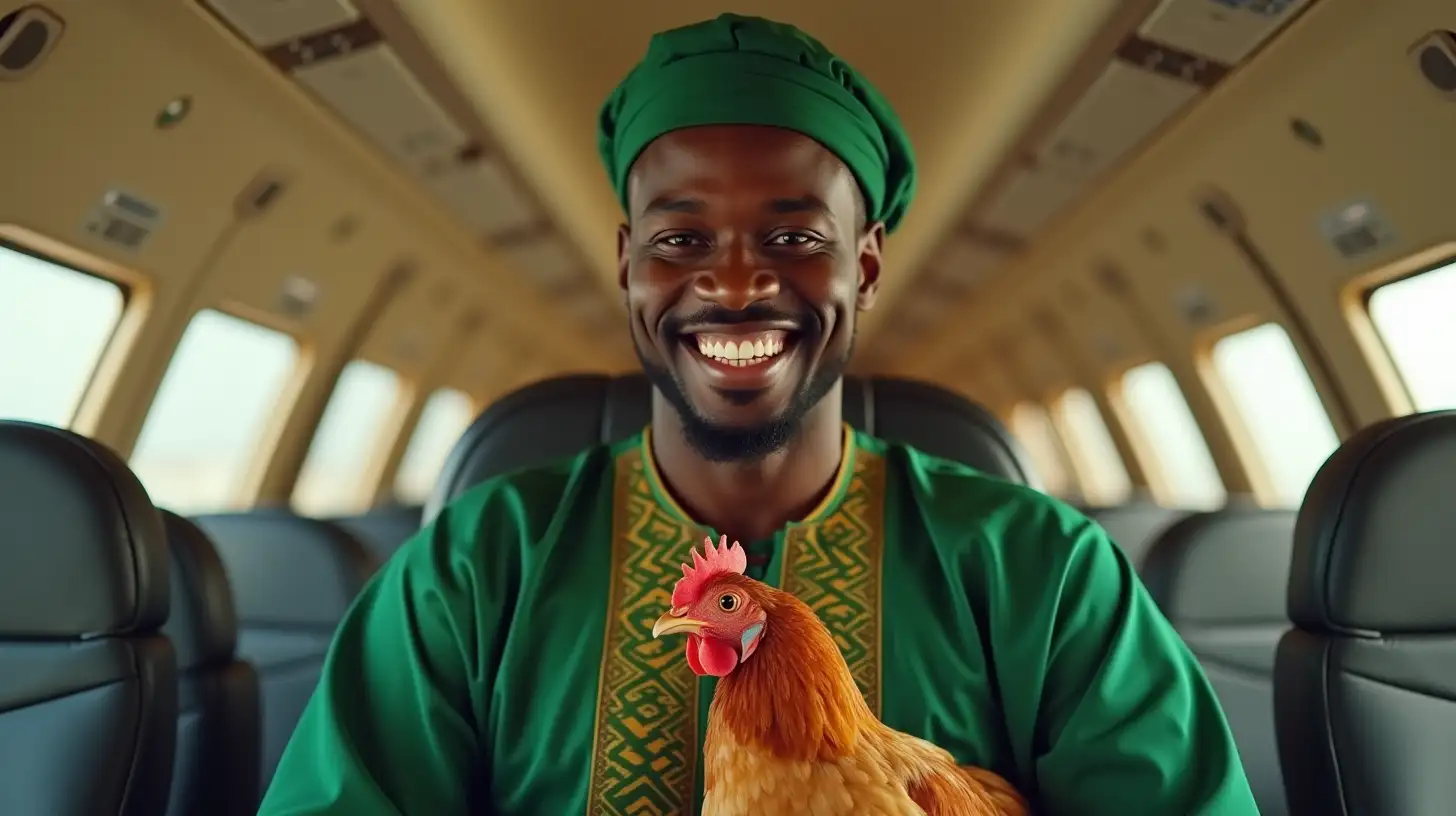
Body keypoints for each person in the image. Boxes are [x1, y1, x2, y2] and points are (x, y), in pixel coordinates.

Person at [258, 13, 1259, 815]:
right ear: (626, 266)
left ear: (863, 268)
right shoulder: (470, 567)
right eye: (681, 238)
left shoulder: (1042, 567)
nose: (735, 284)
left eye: (791, 235)